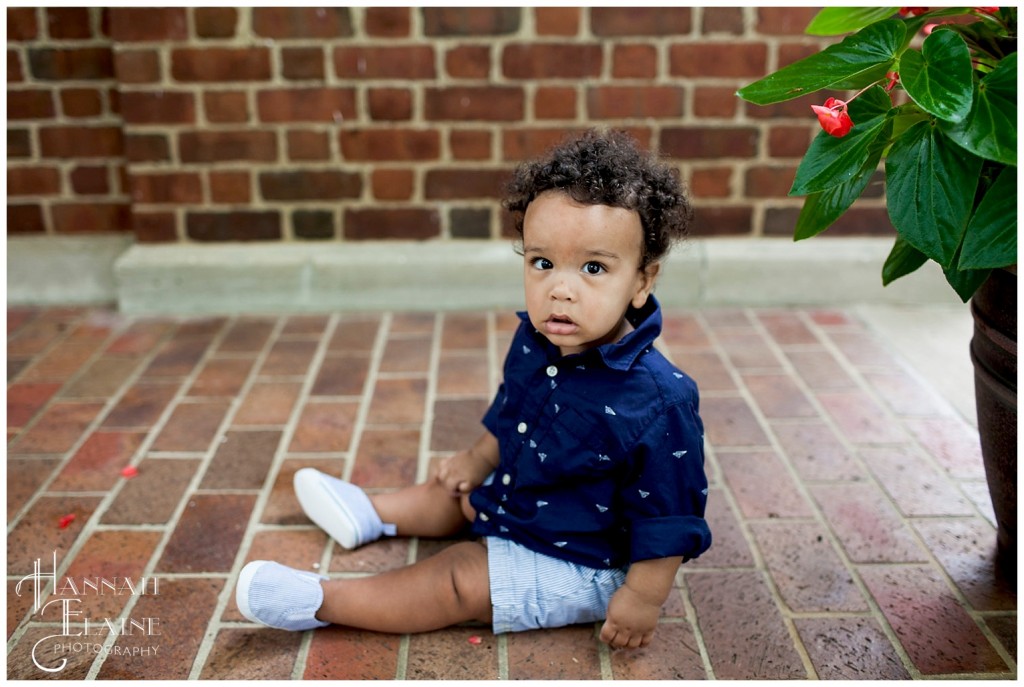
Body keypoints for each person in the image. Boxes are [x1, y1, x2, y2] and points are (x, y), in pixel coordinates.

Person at [235, 129, 711, 650]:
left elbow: (668, 516)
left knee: (459, 576)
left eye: (593, 268)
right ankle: (369, 512)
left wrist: (641, 598)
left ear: (643, 281)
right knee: (454, 490)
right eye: (542, 262)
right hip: (521, 498)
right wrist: (477, 458)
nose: (560, 287)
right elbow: (514, 409)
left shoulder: (659, 401)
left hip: (587, 559)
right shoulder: (538, 339)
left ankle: (322, 601)